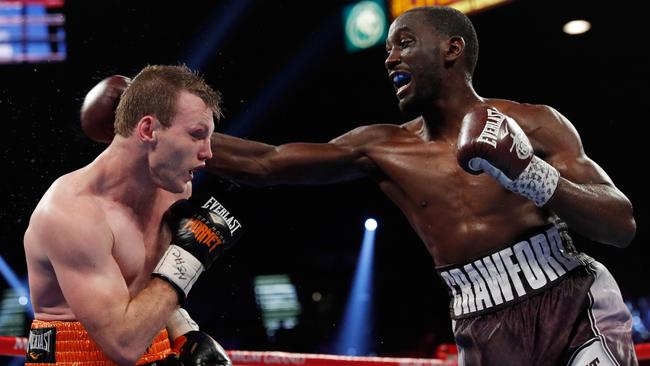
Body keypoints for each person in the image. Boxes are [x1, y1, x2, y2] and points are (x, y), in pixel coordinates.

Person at [83, 7, 637, 366]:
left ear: (451, 49)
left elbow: (619, 223)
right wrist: (158, 126)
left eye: (402, 43)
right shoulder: (383, 146)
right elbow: (267, 162)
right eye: (388, 49)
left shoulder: (535, 122)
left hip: (573, 305)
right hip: (482, 325)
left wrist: (528, 173)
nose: (389, 56)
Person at [24, 64, 241, 366]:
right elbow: (123, 345)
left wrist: (184, 331)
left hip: (154, 350)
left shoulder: (173, 191)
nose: (208, 153)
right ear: (148, 129)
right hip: (78, 357)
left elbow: (142, 287)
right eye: (196, 135)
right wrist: (189, 260)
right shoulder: (71, 213)